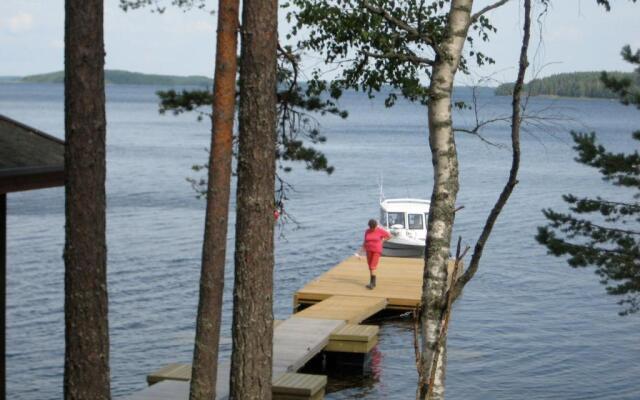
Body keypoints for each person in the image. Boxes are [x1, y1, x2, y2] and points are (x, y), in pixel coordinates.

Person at [362, 219, 391, 289]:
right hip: (368, 250)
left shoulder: (380, 230)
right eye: (371, 228)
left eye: (373, 227)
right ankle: (372, 283)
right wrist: (361, 251)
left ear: (376, 226)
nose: (372, 229)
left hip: (376, 250)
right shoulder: (367, 231)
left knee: (372, 266)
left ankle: (372, 283)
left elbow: (389, 236)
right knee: (370, 267)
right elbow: (365, 241)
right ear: (369, 226)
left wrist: (383, 240)